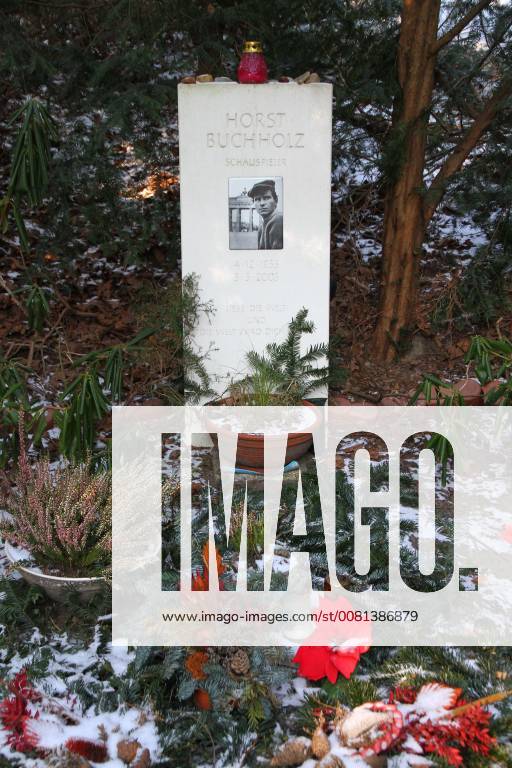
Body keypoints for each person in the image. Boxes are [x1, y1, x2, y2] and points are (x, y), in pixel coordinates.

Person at [247, 179, 283, 249]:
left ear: (276, 200)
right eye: (257, 199)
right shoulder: (262, 226)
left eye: (266, 198)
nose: (262, 203)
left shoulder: (278, 220)